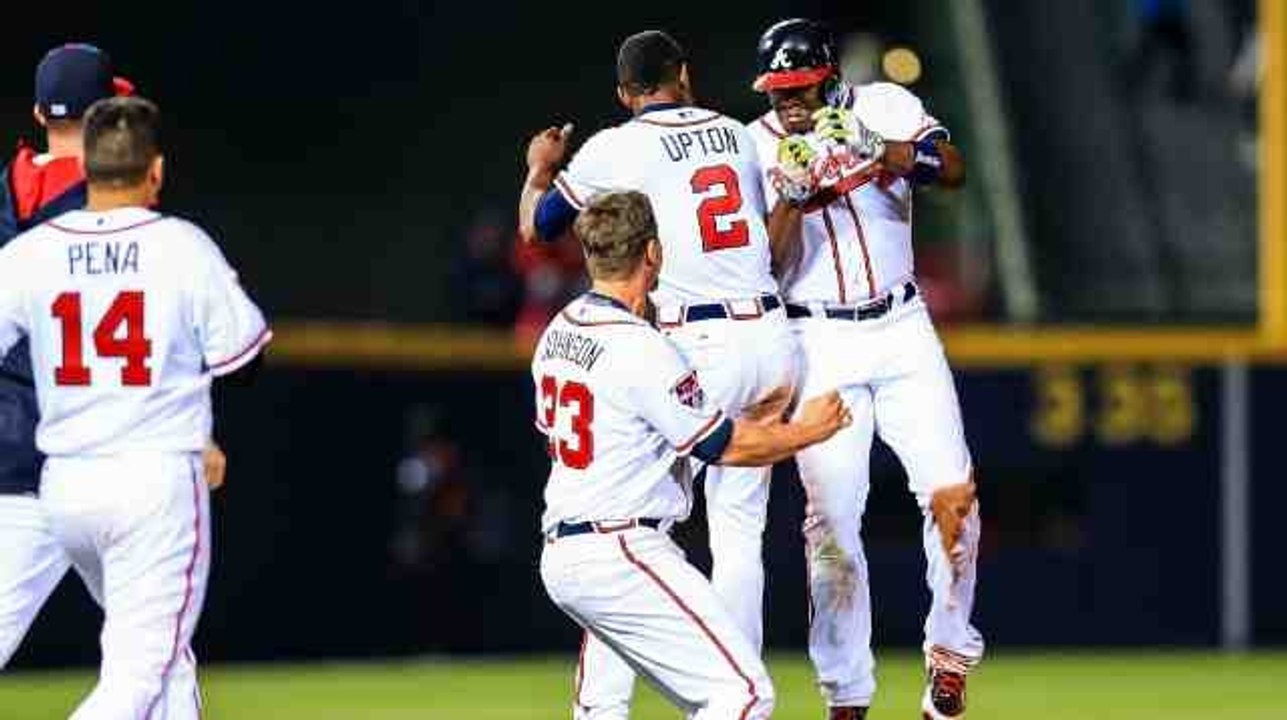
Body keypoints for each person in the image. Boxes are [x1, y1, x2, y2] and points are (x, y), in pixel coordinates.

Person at [519, 30, 809, 718]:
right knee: (738, 534)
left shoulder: (616, 145)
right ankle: (732, 684)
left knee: (627, 525)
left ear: (624, 94)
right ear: (684, 74)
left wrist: (538, 171)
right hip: (768, 332)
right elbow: (768, 243)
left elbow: (540, 228)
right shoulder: (738, 135)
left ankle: (617, 705)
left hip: (689, 342)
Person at [0, 95, 269, 718]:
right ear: (156, 171)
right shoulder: (180, 246)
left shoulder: (32, 253)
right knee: (136, 678)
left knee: (166, 661)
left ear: (86, 169)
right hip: (153, 483)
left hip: (66, 486)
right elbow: (245, 360)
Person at [745, 18, 983, 720]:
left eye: (797, 88)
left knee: (952, 495)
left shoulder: (880, 106)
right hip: (816, 338)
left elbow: (954, 169)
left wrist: (880, 150)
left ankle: (947, 652)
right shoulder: (755, 144)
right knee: (831, 524)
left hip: (901, 324)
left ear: (826, 76)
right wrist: (789, 194)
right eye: (776, 90)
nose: (786, 102)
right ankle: (845, 694)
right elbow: (768, 266)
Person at [535, 190, 850, 720]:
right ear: (653, 253)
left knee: (602, 705)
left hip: (567, 552)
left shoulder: (557, 332)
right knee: (744, 695)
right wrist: (808, 431)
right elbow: (721, 445)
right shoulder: (640, 347)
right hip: (623, 549)